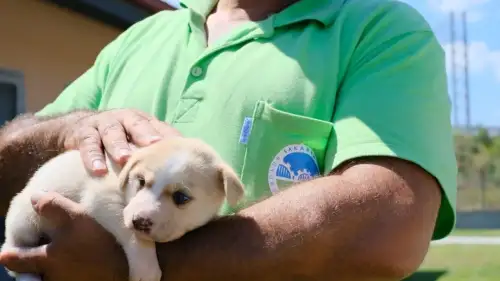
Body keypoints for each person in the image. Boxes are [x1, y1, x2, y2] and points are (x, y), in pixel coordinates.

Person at [0, 0, 457, 280]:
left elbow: (388, 225)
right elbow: (9, 166)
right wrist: (69, 127)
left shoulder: (381, 31)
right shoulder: (141, 37)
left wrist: (133, 265)